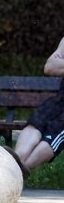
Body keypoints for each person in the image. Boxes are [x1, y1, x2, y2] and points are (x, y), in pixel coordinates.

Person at [10, 37, 64, 173]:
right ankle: (15, 162)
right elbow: (50, 66)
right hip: (60, 99)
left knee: (57, 132)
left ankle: (16, 171)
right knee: (36, 121)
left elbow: (57, 65)